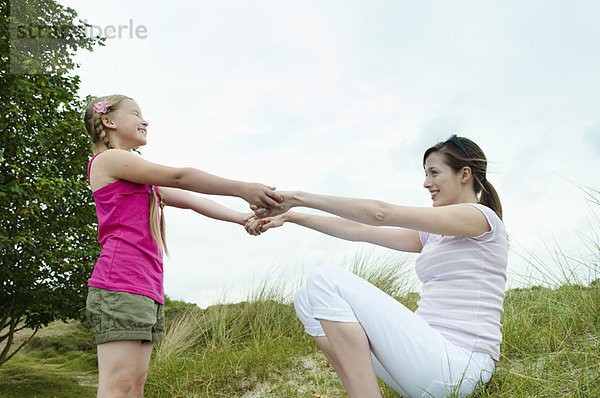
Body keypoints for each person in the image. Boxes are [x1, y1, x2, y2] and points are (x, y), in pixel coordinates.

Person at [245, 135, 507, 398]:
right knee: (306, 299)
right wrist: (291, 216)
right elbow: (360, 229)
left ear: (465, 174)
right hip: (428, 361)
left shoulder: (480, 217)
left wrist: (297, 197)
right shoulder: (434, 235)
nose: (426, 183)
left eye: (434, 173)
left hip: (462, 367)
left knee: (324, 279)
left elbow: (380, 214)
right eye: (426, 174)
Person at [83, 94, 283, 398]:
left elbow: (190, 200)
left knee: (134, 388)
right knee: (118, 385)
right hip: (119, 284)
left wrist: (243, 218)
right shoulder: (109, 161)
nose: (145, 120)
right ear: (108, 121)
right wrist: (242, 188)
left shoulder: (140, 179)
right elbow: (181, 177)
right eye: (135, 113)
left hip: (145, 287)